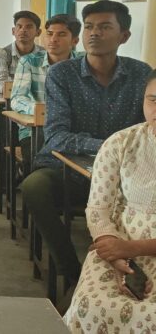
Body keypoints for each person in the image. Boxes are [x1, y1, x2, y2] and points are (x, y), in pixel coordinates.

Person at [22, 0, 152, 286]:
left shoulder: (142, 75)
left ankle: (132, 270)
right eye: (90, 27)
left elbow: (146, 131)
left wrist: (117, 157)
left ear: (124, 36)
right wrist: (110, 147)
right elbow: (56, 135)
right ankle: (73, 273)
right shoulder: (63, 74)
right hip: (66, 170)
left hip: (123, 175)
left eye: (105, 27)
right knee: (34, 187)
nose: (94, 33)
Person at [63, 70, 156, 332]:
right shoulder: (121, 143)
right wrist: (114, 253)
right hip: (119, 241)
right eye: (153, 100)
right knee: (90, 306)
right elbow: (98, 209)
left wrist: (131, 249)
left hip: (132, 247)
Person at [9, 15, 83, 148]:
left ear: (75, 41)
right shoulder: (29, 61)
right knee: (41, 153)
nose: (53, 39)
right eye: (49, 34)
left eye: (61, 34)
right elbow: (17, 98)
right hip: (36, 128)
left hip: (75, 128)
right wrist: (46, 111)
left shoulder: (83, 63)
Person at [0, 10, 43, 94]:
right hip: (10, 99)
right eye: (19, 26)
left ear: (38, 32)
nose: (23, 30)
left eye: (29, 27)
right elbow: (0, 84)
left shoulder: (44, 54)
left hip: (39, 99)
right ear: (13, 31)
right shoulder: (4, 54)